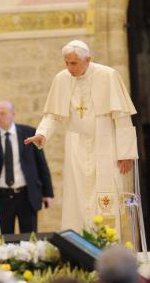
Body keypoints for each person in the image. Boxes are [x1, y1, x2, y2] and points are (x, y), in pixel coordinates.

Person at [25, 40, 138, 233]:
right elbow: (53, 115)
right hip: (76, 144)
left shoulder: (108, 75)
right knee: (77, 195)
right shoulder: (62, 79)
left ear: (88, 59)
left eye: (74, 63)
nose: (69, 68)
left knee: (105, 195)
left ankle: (106, 246)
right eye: (66, 63)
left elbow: (122, 117)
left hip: (105, 143)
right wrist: (42, 133)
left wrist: (125, 153)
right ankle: (79, 245)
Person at [0, 100, 53, 233]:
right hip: (2, 197)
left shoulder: (29, 133)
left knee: (30, 237)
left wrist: (48, 193)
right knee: (5, 239)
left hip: (27, 195)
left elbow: (41, 164)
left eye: (2, 113)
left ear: (13, 114)